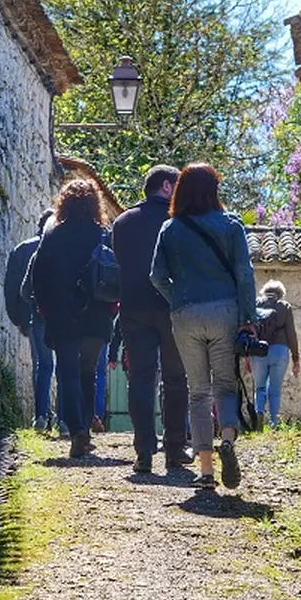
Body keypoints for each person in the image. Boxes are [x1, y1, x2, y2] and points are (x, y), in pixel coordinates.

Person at [150, 163, 257, 489]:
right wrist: (248, 320)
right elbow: (244, 274)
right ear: (213, 190)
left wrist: (178, 299)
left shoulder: (170, 229)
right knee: (225, 385)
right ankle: (227, 438)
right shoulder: (231, 225)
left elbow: (156, 276)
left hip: (185, 314)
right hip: (225, 311)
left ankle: (207, 471)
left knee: (198, 391)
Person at [112, 165, 194, 474]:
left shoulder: (122, 222)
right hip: (171, 307)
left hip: (133, 308)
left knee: (141, 380)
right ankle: (174, 449)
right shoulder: (177, 222)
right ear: (166, 186)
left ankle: (144, 451)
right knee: (175, 379)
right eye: (177, 186)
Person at [30, 180, 116, 457]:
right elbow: (116, 275)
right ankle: (86, 430)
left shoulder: (53, 235)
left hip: (62, 315)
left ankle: (77, 430)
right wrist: (112, 307)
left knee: (66, 373)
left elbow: (38, 277)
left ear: (63, 203)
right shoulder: (103, 235)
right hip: (96, 315)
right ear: (95, 204)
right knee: (88, 374)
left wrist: (45, 308)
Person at [5, 210, 57, 432]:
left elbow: (12, 289)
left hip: (32, 317)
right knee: (62, 366)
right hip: (59, 316)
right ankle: (64, 420)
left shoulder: (23, 249)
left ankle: (41, 416)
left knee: (42, 365)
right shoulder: (58, 250)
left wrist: (18, 318)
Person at [246, 280, 300, 429]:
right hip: (280, 351)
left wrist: (247, 358)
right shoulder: (285, 306)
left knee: (260, 387)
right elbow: (291, 333)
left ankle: (259, 413)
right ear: (280, 294)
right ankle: (274, 422)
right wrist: (296, 358)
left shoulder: (256, 304)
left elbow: (249, 330)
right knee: (275, 389)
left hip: (258, 350)